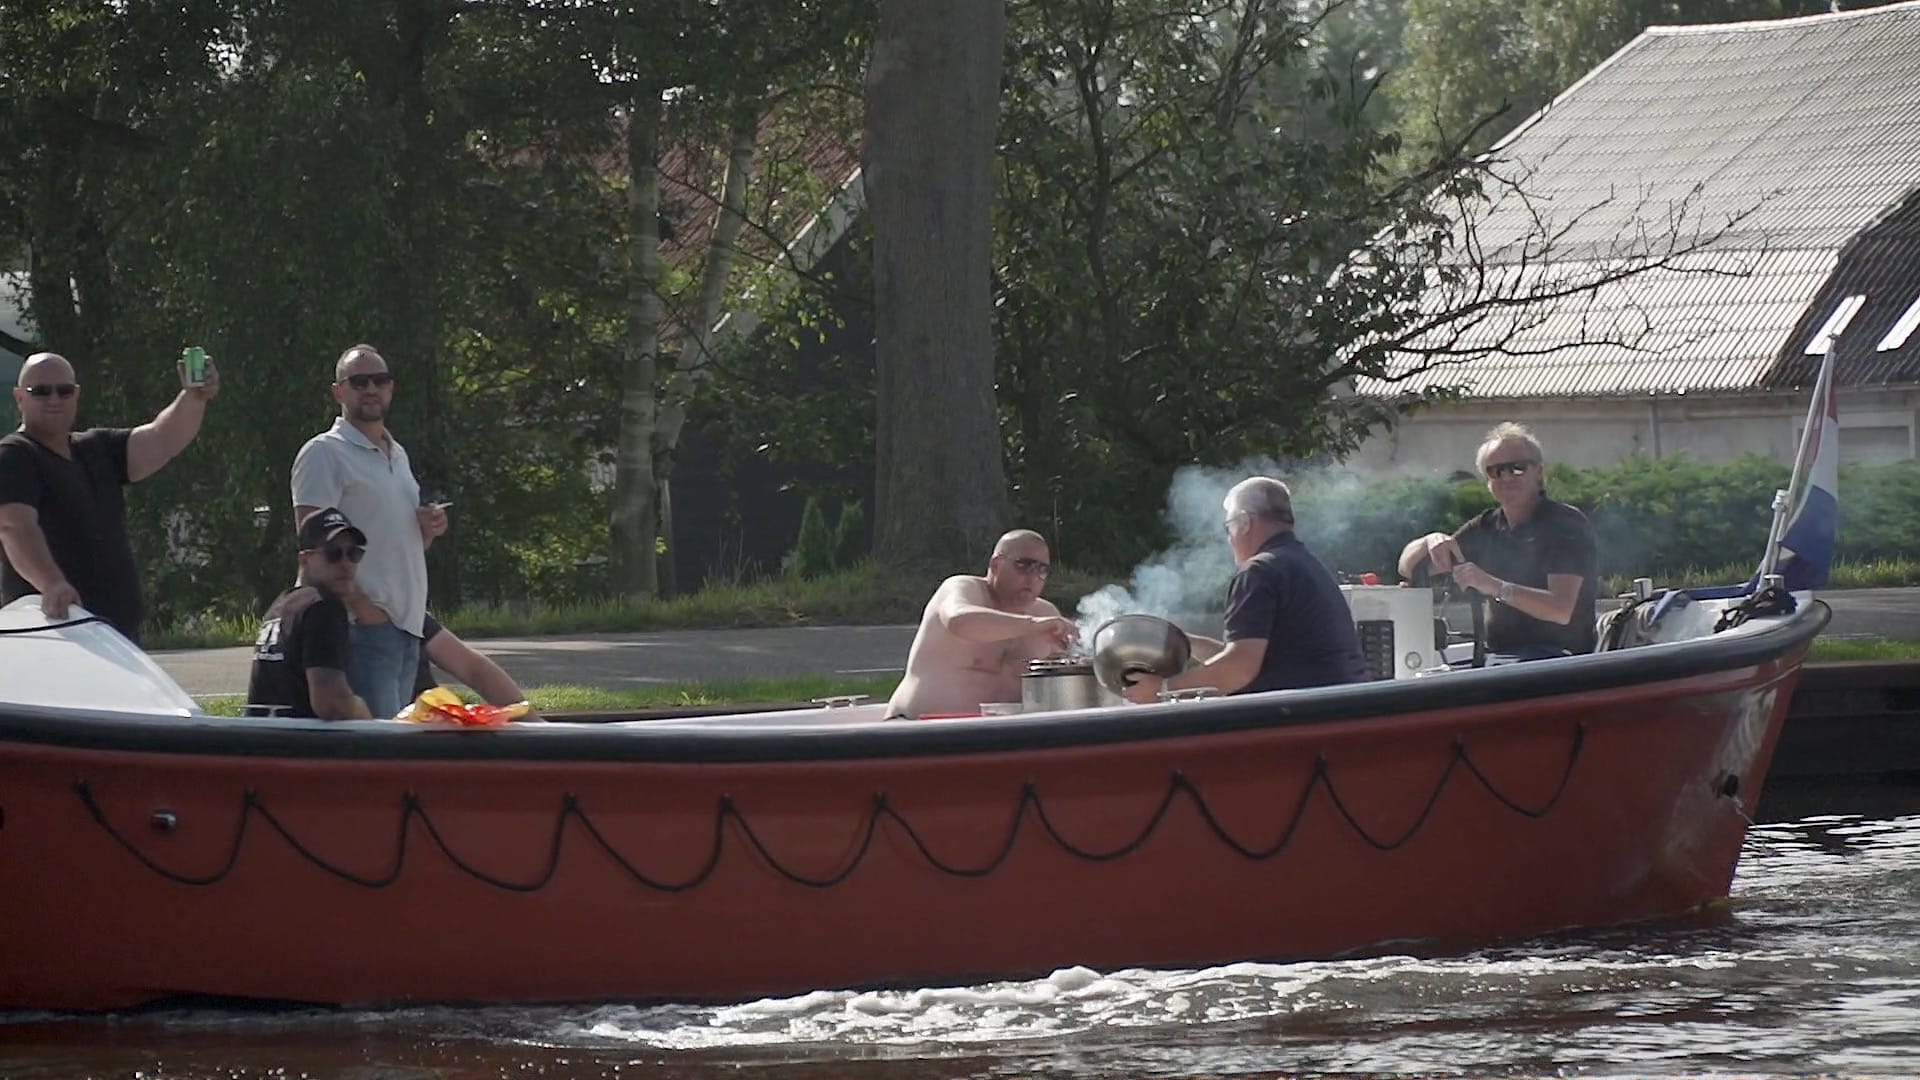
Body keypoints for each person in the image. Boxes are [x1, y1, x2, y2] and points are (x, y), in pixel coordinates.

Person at [0, 350, 220, 643]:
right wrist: (52, 584)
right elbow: (14, 527)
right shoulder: (14, 455)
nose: (54, 399)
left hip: (115, 636)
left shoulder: (96, 448)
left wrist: (194, 398)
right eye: (40, 391)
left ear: (76, 394)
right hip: (55, 635)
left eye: (64, 391)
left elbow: (161, 439)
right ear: (19, 398)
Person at [291, 344, 448, 718]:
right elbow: (314, 546)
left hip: (406, 631)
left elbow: (392, 542)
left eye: (380, 380)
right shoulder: (324, 453)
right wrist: (363, 609)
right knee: (375, 752)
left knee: (397, 757)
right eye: (359, 381)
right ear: (339, 391)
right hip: (362, 630)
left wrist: (426, 530)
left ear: (392, 388)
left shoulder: (398, 454)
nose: (371, 389)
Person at [1125, 477, 1368, 703]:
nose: (1229, 538)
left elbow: (1238, 670)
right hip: (1339, 710)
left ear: (1244, 523)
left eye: (1228, 526)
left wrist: (1162, 690)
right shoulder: (1301, 564)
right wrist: (1181, 641)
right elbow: (1244, 658)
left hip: (1301, 721)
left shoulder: (1258, 571)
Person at [1397, 422, 1598, 660]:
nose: (1507, 477)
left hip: (1559, 661)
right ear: (1488, 480)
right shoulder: (1487, 526)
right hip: (1499, 657)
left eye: (1518, 468)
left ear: (1539, 473)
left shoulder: (1565, 524)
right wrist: (1430, 541)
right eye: (1496, 470)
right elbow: (1407, 567)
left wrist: (1491, 585)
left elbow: (1560, 610)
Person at [884, 529, 1079, 719]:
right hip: (916, 732)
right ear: (996, 564)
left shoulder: (1047, 614)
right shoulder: (963, 588)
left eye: (1042, 570)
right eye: (1023, 565)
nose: (1033, 576)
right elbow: (959, 621)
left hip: (999, 739)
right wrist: (1033, 625)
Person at [245, 507, 374, 721]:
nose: (346, 564)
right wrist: (375, 729)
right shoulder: (323, 607)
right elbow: (331, 703)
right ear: (305, 560)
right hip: (302, 747)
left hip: (261, 741)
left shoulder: (279, 608)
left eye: (354, 553)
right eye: (333, 554)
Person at [410, 613, 542, 720]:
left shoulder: (406, 614)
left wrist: (535, 724)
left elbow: (472, 668)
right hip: (399, 737)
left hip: (432, 731)